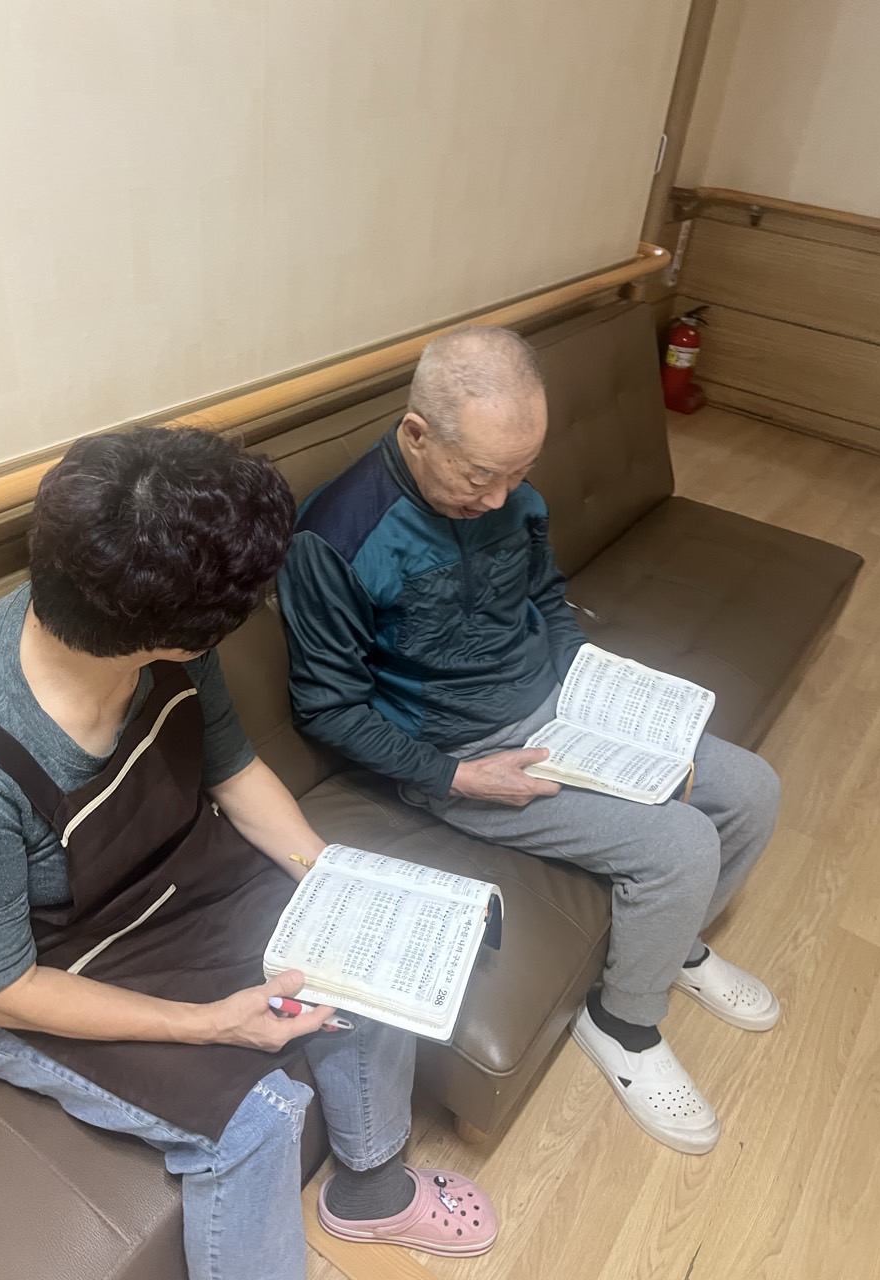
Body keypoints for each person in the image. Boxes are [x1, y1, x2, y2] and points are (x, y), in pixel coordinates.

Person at [0, 427, 497, 1280]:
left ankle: (371, 1192)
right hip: (45, 969)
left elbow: (232, 769)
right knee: (257, 1120)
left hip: (174, 879)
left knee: (362, 966)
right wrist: (210, 1025)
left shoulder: (159, 629)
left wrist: (335, 886)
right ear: (171, 634)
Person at [278, 326, 782, 1157]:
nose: (500, 497)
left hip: (561, 708)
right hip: (461, 757)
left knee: (754, 788)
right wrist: (457, 777)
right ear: (416, 433)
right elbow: (327, 708)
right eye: (480, 475)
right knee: (682, 842)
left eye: (520, 472)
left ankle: (672, 946)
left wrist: (596, 686)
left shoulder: (512, 497)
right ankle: (623, 1022)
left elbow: (545, 597)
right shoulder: (336, 538)